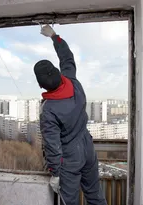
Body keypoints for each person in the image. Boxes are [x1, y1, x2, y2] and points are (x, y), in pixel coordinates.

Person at [34, 24, 107, 205]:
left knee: (69, 201)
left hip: (69, 157)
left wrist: (56, 173)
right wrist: (54, 36)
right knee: (95, 196)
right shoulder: (73, 82)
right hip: (87, 147)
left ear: (41, 86)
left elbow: (52, 146)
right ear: (58, 74)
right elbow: (67, 58)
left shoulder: (49, 110)